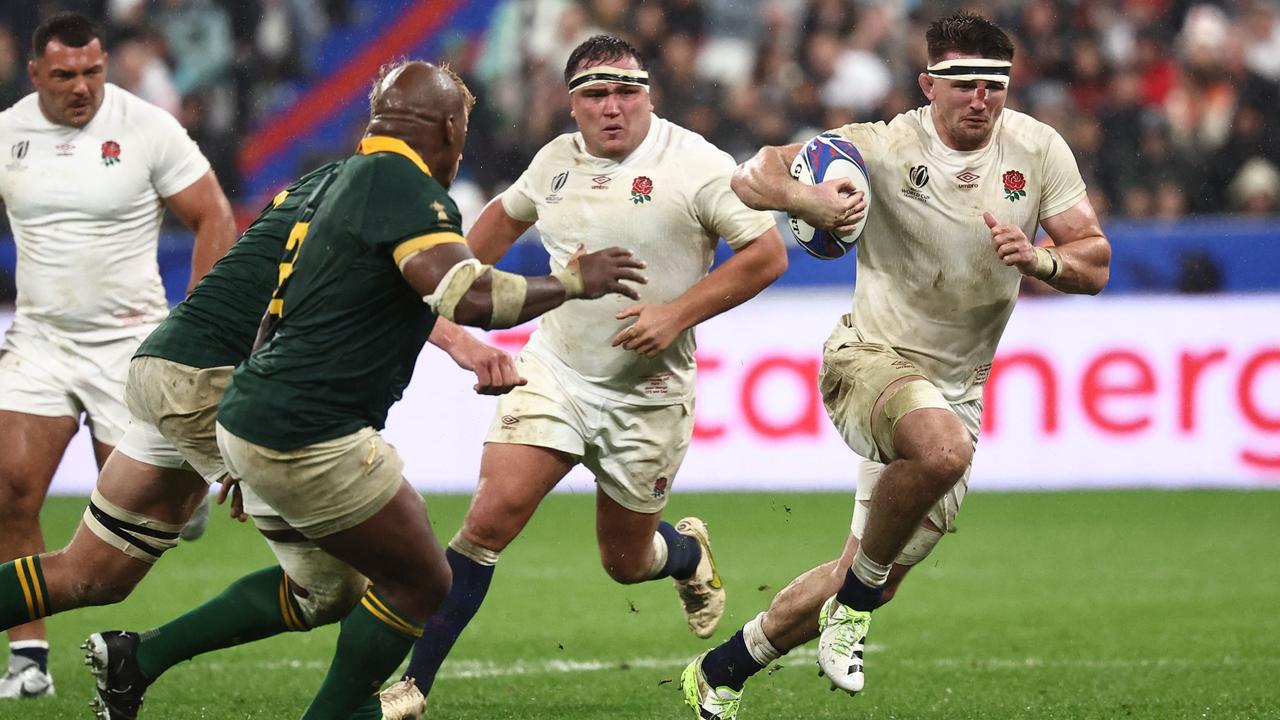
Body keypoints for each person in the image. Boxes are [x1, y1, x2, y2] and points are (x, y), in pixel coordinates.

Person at [156, 60, 640, 720]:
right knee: (422, 581)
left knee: (330, 590)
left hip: (256, 411)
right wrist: (576, 281)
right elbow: (469, 295)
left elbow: (276, 311)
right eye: (463, 129)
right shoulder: (404, 187)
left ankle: (144, 658)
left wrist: (244, 440)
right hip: (309, 426)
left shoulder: (338, 179)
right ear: (447, 127)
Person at [680, 11, 1113, 719]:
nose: (981, 98)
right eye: (965, 83)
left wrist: (1042, 259)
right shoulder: (879, 146)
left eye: (995, 85)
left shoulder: (1038, 148)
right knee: (940, 454)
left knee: (871, 574)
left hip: (958, 387)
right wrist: (808, 197)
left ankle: (721, 670)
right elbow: (752, 171)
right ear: (928, 83)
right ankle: (850, 614)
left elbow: (1093, 259)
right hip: (870, 360)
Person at [0, 155, 519, 719]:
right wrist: (251, 431)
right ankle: (354, 712)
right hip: (218, 385)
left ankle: (135, 661)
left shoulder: (327, 180)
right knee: (377, 577)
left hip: (173, 363)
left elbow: (293, 294)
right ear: (451, 140)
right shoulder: (385, 195)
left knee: (90, 572)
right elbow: (322, 302)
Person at [402, 34, 788, 700]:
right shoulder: (554, 161)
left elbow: (767, 255)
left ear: (648, 95)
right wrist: (443, 297)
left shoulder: (695, 161)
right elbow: (484, 237)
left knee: (626, 561)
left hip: (649, 395)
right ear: (571, 104)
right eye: (596, 95)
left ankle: (687, 555)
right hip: (556, 372)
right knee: (489, 521)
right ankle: (410, 688)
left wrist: (675, 315)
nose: (614, 108)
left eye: (626, 92)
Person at [0, 12, 235, 699]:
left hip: (130, 347)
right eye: (66, 75)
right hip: (40, 339)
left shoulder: (147, 127)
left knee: (127, 540)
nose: (83, 87)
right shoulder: (9, 130)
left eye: (94, 72)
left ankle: (183, 492)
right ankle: (29, 661)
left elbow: (213, 216)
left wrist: (201, 328)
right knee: (9, 489)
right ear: (36, 73)